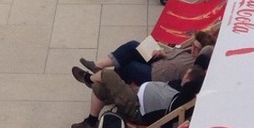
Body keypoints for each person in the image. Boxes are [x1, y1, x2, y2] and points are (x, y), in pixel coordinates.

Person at [70, 65, 204, 128]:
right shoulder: (179, 86)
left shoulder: (182, 98)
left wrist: (191, 84)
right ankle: (91, 122)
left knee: (108, 74)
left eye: (187, 74)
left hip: (136, 108)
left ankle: (88, 78)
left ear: (190, 81)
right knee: (99, 87)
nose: (184, 75)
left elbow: (188, 89)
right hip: (134, 94)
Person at [74, 29, 216, 91]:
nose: (193, 50)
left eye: (197, 49)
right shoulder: (187, 51)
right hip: (158, 61)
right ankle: (96, 66)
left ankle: (92, 79)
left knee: (128, 65)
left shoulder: (194, 67)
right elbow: (172, 55)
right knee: (133, 46)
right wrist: (162, 53)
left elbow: (181, 82)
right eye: (193, 46)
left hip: (155, 77)